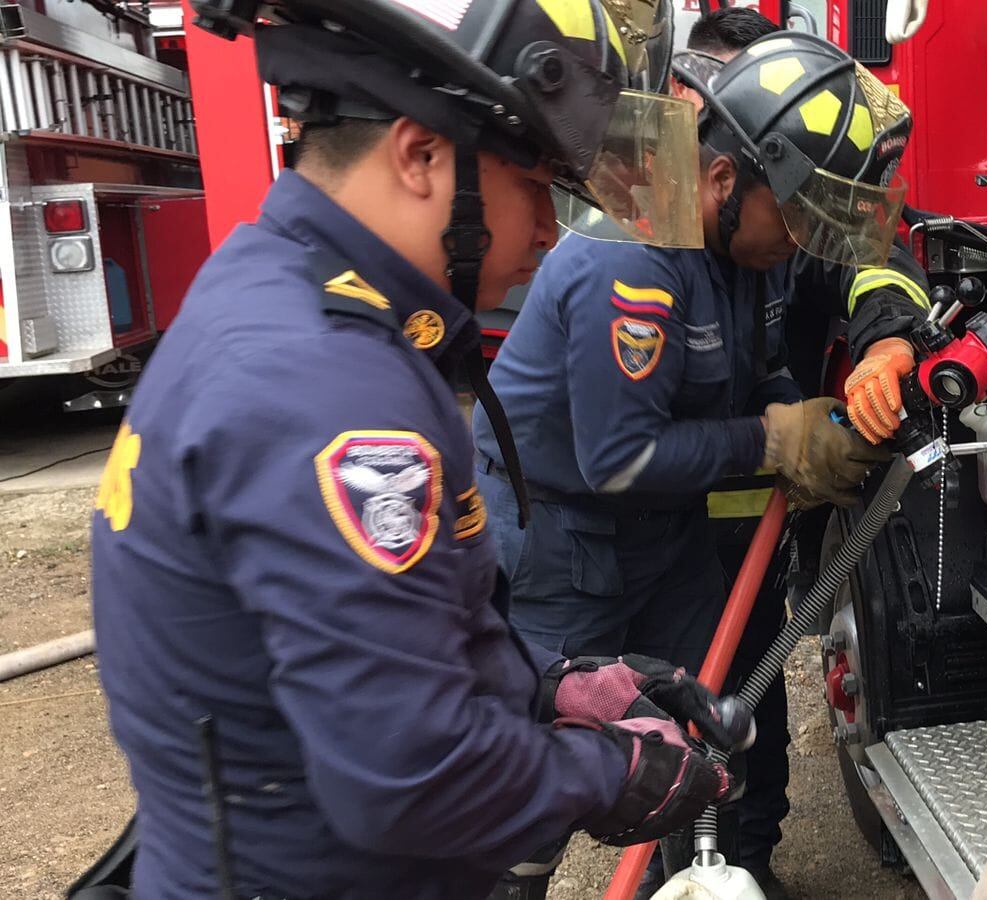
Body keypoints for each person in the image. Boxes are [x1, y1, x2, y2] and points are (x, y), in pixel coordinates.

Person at [88, 2, 737, 898]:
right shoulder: (330, 390)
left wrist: (550, 686)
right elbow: (415, 775)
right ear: (421, 155)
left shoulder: (276, 285)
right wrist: (612, 774)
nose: (548, 230)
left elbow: (371, 642)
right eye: (535, 183)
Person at [475, 25, 926, 896]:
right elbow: (618, 456)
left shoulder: (748, 241)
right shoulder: (634, 260)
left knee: (708, 735)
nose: (804, 238)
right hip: (563, 541)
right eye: (797, 215)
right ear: (723, 180)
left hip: (664, 533)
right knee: (534, 773)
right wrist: (775, 439)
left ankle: (704, 879)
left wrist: (811, 415)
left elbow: (757, 365)